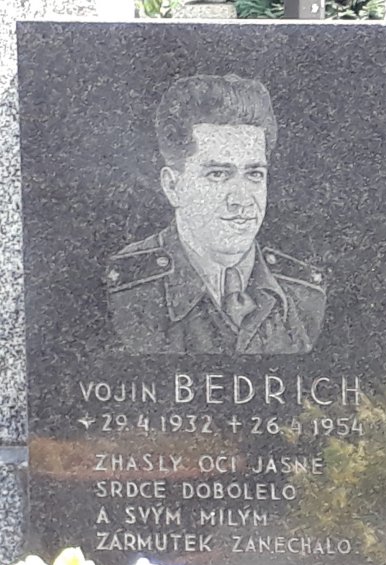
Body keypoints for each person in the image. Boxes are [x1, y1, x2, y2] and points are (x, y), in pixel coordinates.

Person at [106, 74, 326, 355]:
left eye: (254, 174)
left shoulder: (306, 296)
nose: (242, 200)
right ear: (173, 186)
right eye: (218, 174)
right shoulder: (125, 294)